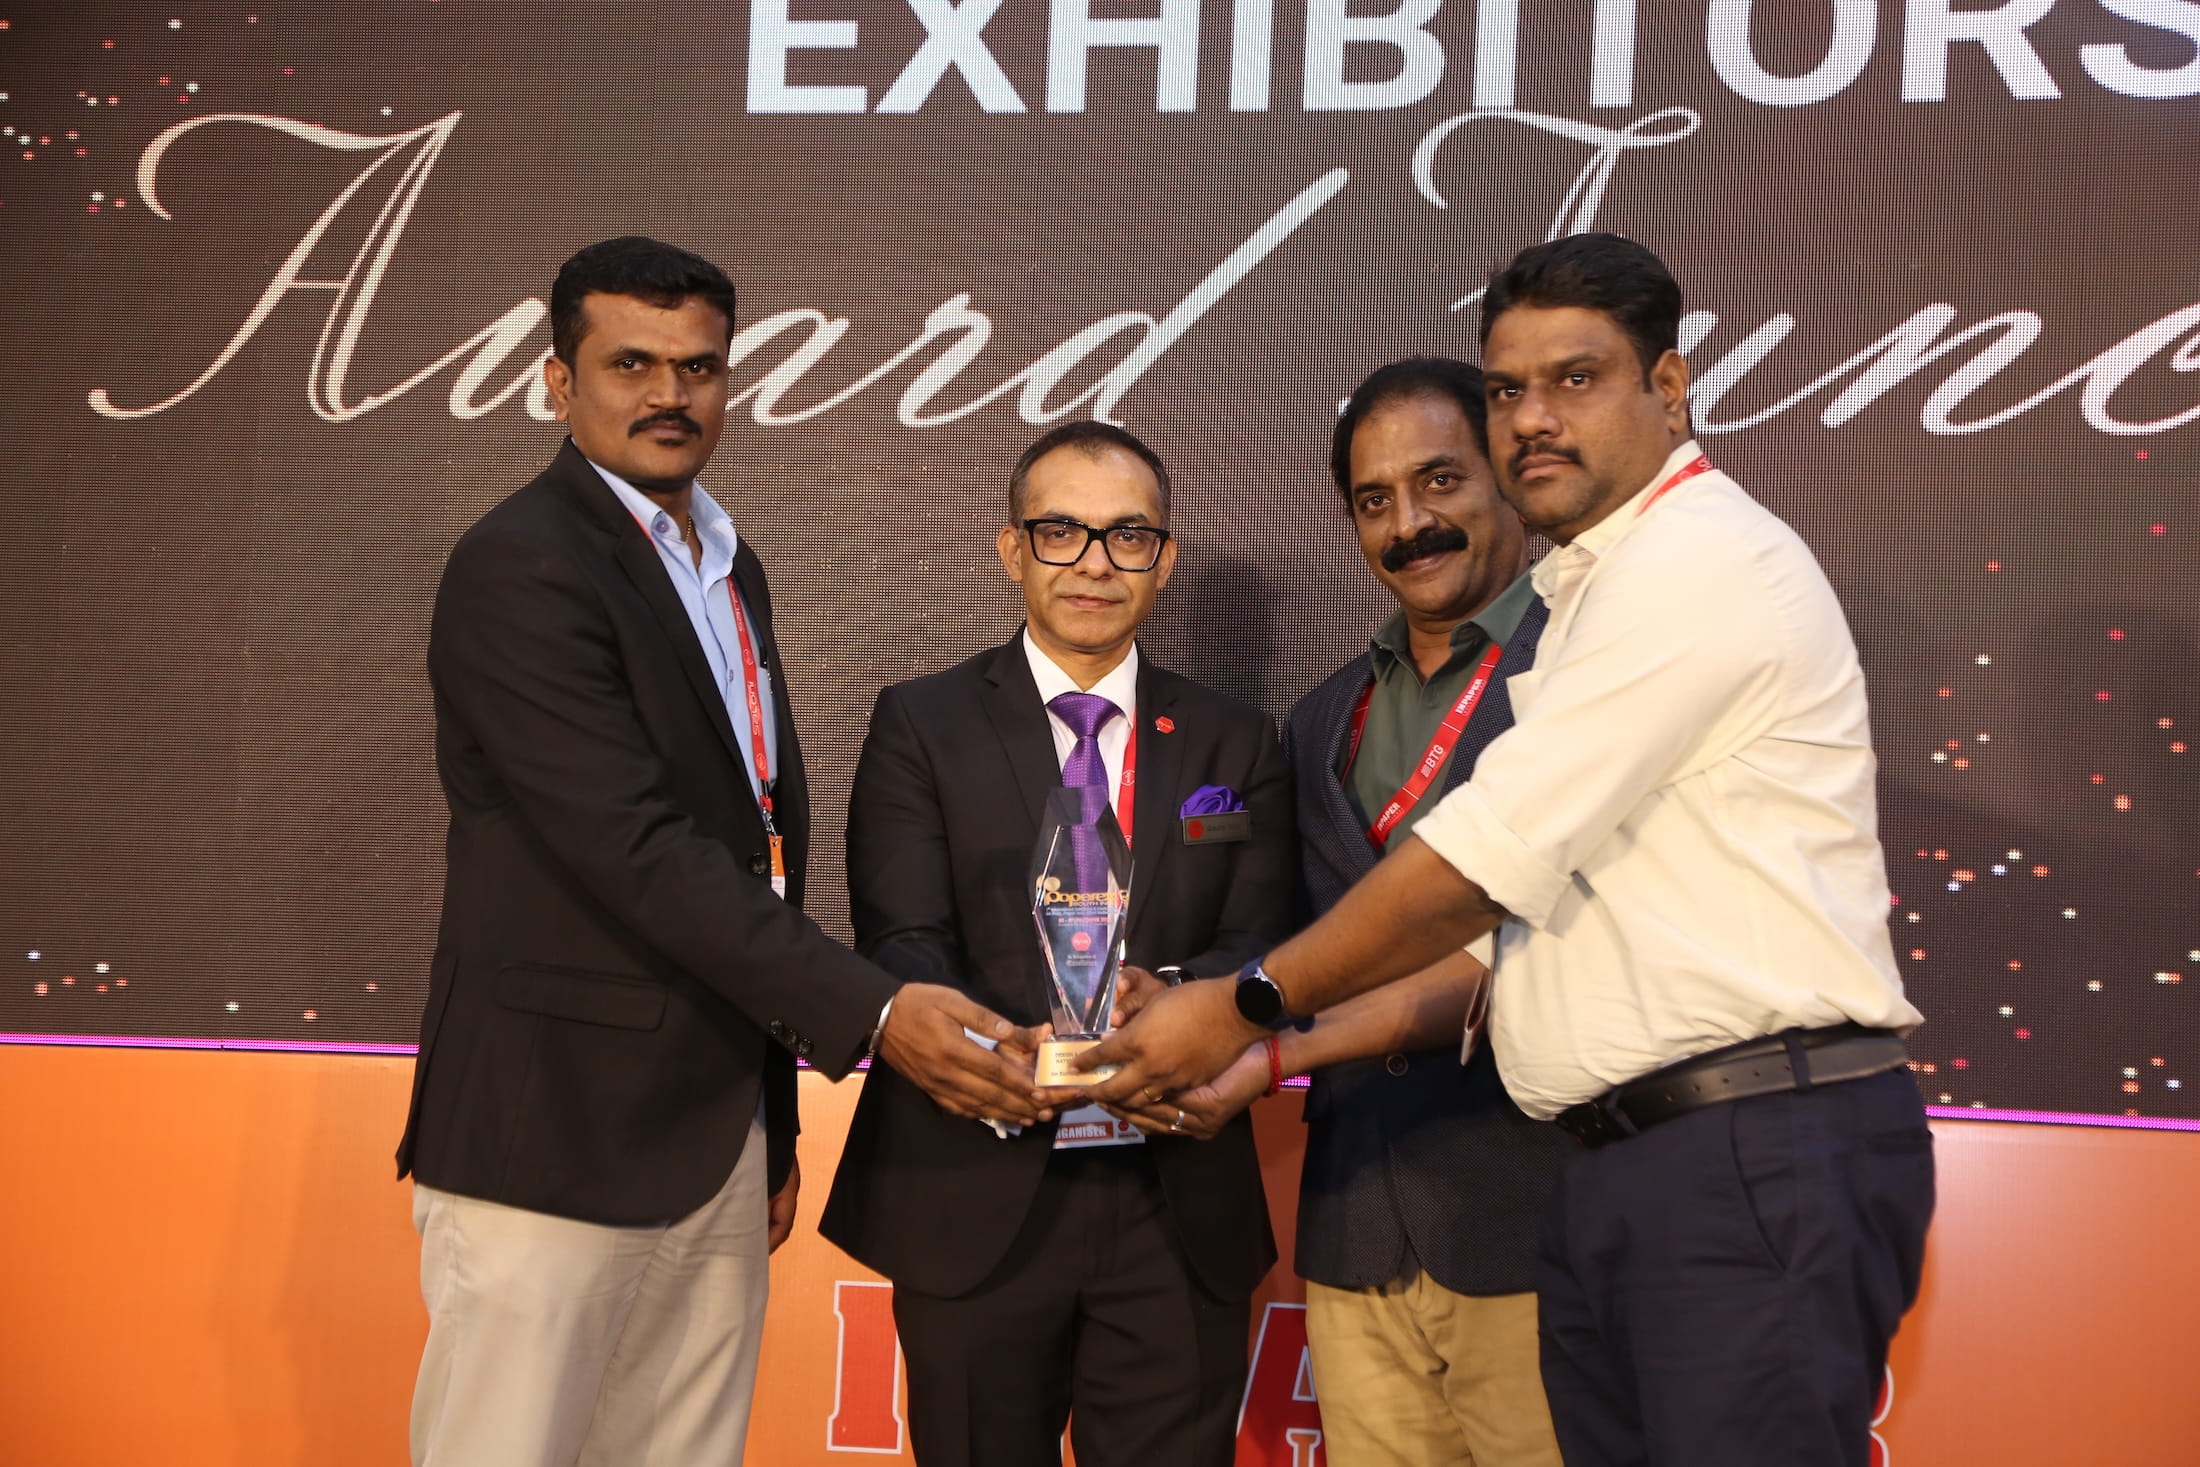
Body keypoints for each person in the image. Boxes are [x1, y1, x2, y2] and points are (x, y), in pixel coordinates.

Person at [1080, 234, 1935, 1467]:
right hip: (1633, 1164)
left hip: (1745, 1151)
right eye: (1507, 390)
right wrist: (1270, 1053)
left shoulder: (1696, 565)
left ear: (1671, 388)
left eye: (1575, 379)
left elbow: (1478, 863)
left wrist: (1244, 1004)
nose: (1531, 419)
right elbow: (1489, 947)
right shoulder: (1597, 592)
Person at [396, 235, 1044, 1467]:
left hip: (707, 1148)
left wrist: (769, 1128)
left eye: (697, 367)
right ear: (556, 380)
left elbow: (753, 853)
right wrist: (880, 1011)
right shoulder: (520, 566)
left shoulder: (725, 563)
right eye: (629, 362)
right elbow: (633, 850)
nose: (668, 395)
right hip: (551, 1142)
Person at [818, 420, 1298, 1467]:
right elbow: (900, 935)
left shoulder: (1236, 739)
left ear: (1163, 559)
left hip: (1173, 1191)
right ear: (1011, 548)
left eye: (1127, 536)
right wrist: (989, 1055)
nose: (1093, 562)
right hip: (976, 1182)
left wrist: (1174, 996)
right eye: (1061, 532)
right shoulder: (921, 722)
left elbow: (1264, 933)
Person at [1134, 358, 1570, 1465]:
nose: (1409, 524)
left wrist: (1248, 1032)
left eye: (1439, 482)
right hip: (1355, 1226)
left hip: (1542, 1218)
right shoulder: (1325, 713)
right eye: (1374, 501)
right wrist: (1170, 1001)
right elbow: (1288, 946)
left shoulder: (1587, 671)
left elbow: (1525, 948)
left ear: (1505, 480)